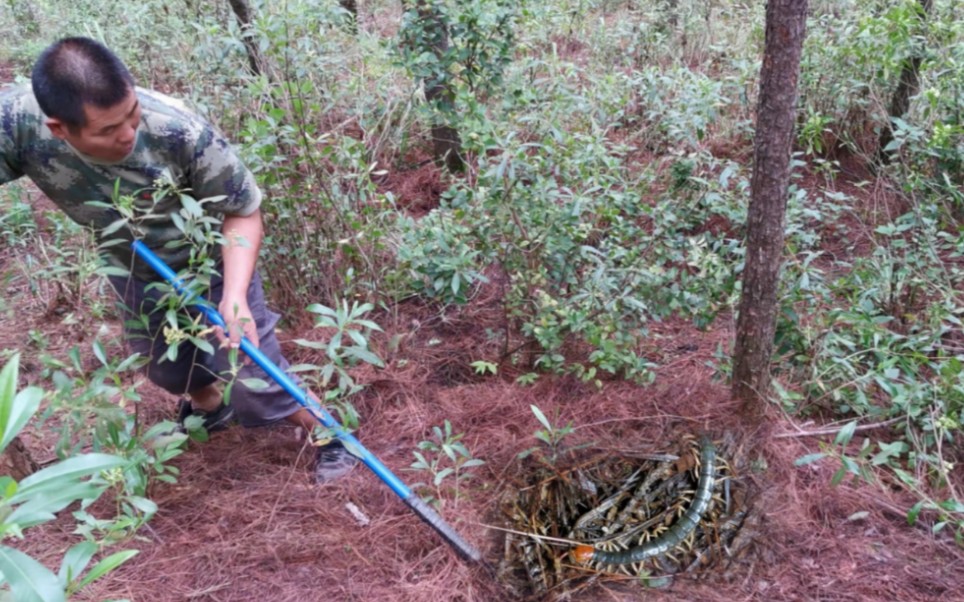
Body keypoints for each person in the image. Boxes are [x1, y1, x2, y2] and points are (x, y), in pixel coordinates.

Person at [0, 36, 355, 483]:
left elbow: (242, 213)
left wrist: (237, 297)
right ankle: (211, 408)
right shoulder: (15, 124)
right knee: (168, 370)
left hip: (212, 260)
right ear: (59, 129)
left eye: (131, 115)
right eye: (108, 130)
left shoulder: (178, 130)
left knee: (252, 369)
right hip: (132, 263)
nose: (128, 134)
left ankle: (330, 436)